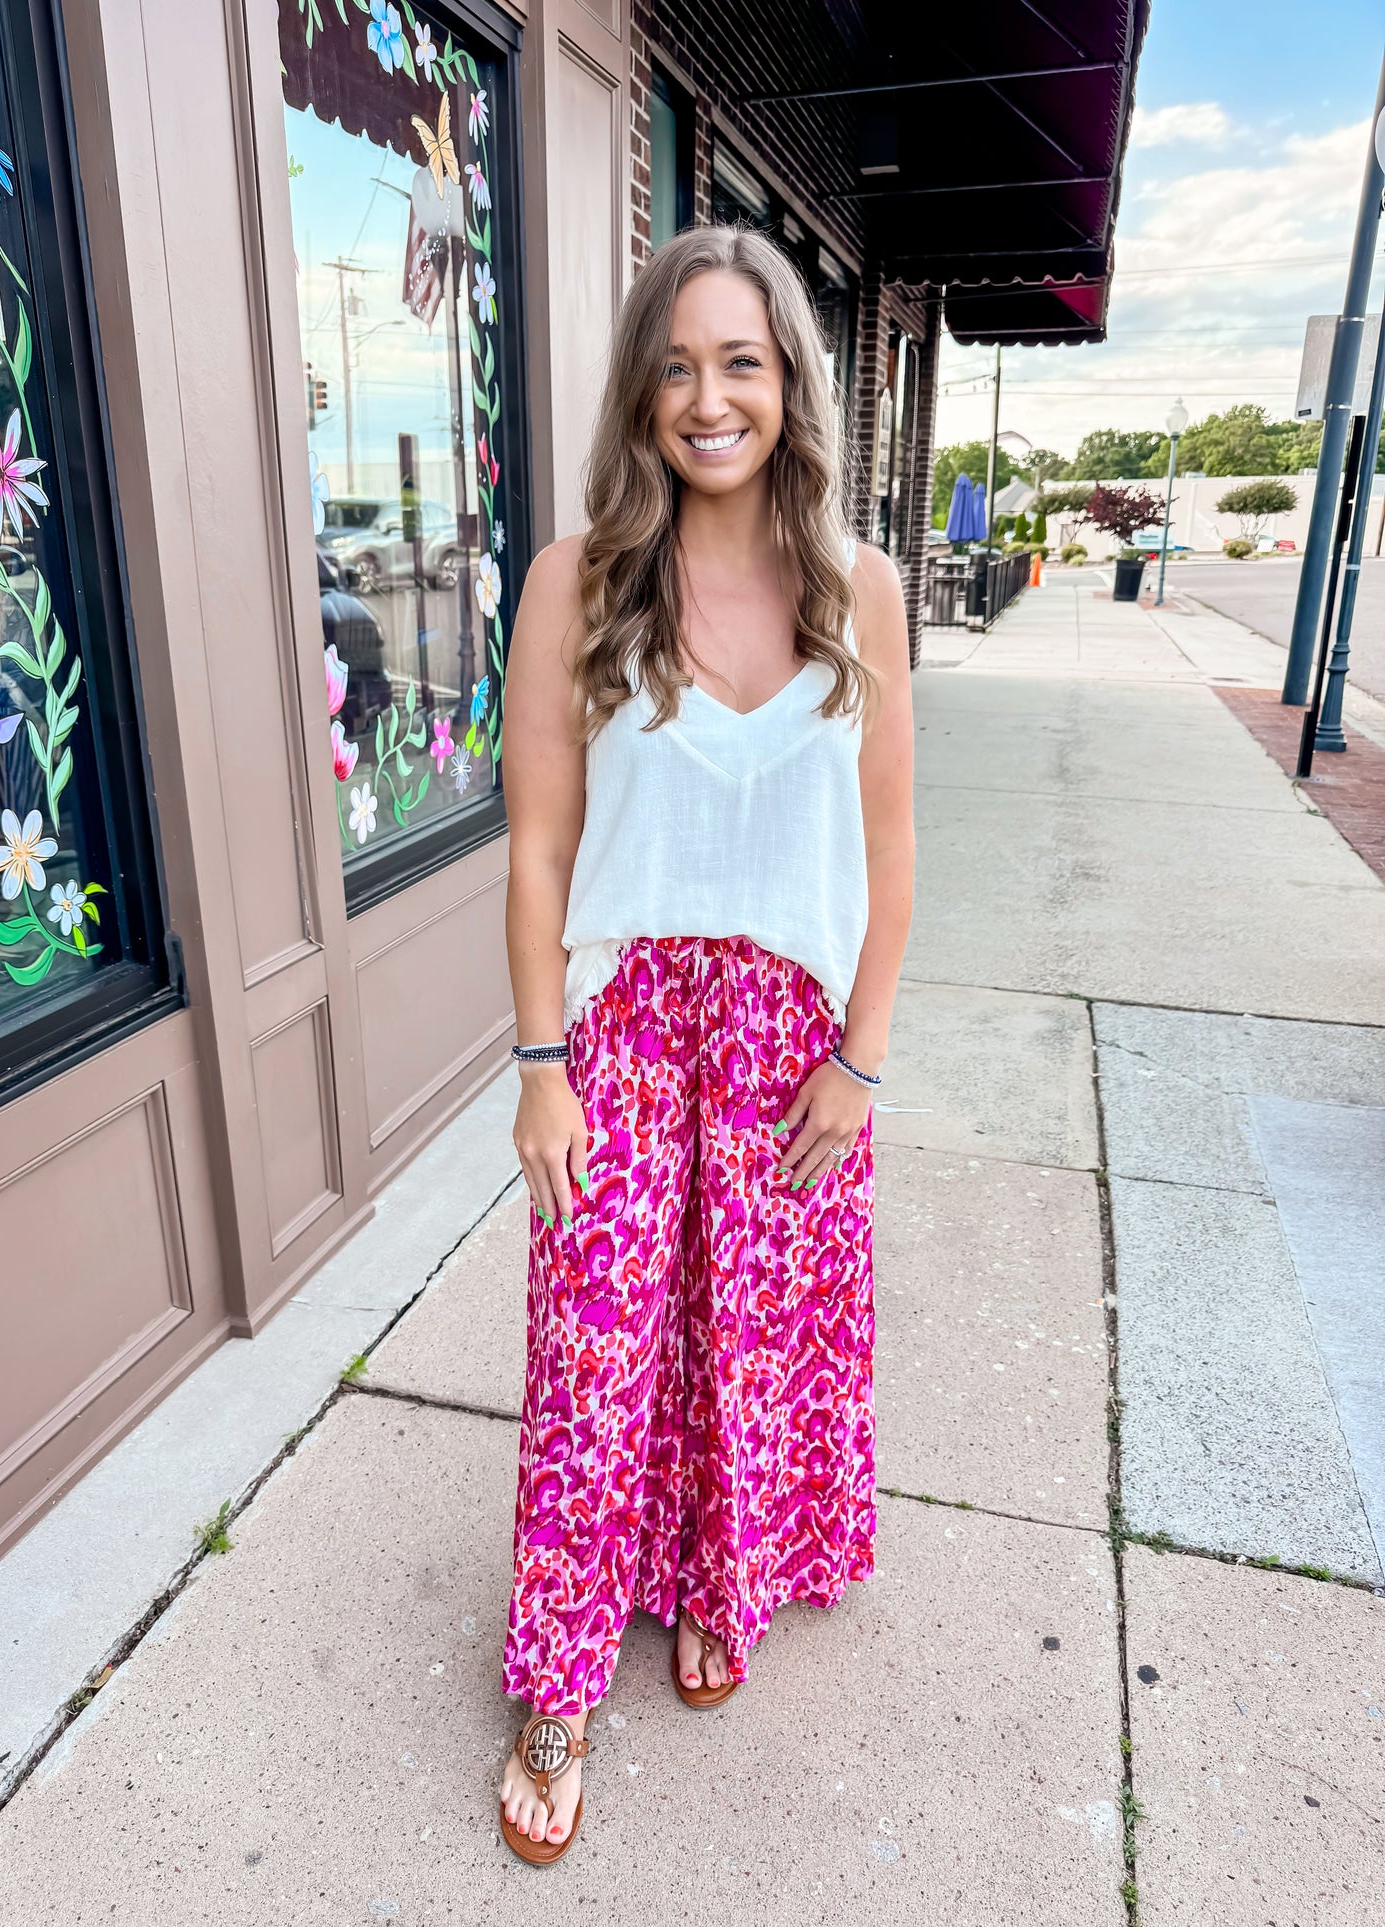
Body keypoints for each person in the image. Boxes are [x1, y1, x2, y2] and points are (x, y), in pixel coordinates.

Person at [495, 223, 915, 1863]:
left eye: (738, 360)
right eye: (674, 365)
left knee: (747, 1340)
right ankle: (555, 1678)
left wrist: (858, 1059)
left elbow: (888, 858)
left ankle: (715, 1578)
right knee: (598, 1355)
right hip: (617, 1026)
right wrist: (538, 1064)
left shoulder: (855, 586)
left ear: (788, 383)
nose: (705, 396)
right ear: (639, 391)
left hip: (789, 1031)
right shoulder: (577, 579)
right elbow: (536, 850)